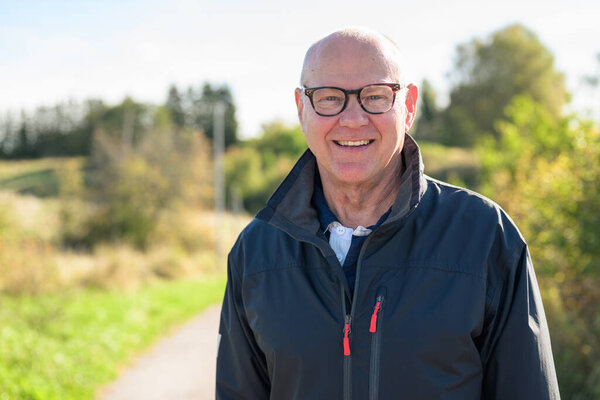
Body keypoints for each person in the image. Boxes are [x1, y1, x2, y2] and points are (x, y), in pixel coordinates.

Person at [216, 27, 560, 399]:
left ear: (408, 105)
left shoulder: (484, 236)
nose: (352, 119)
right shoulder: (258, 250)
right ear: (302, 109)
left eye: (375, 96)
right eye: (329, 98)